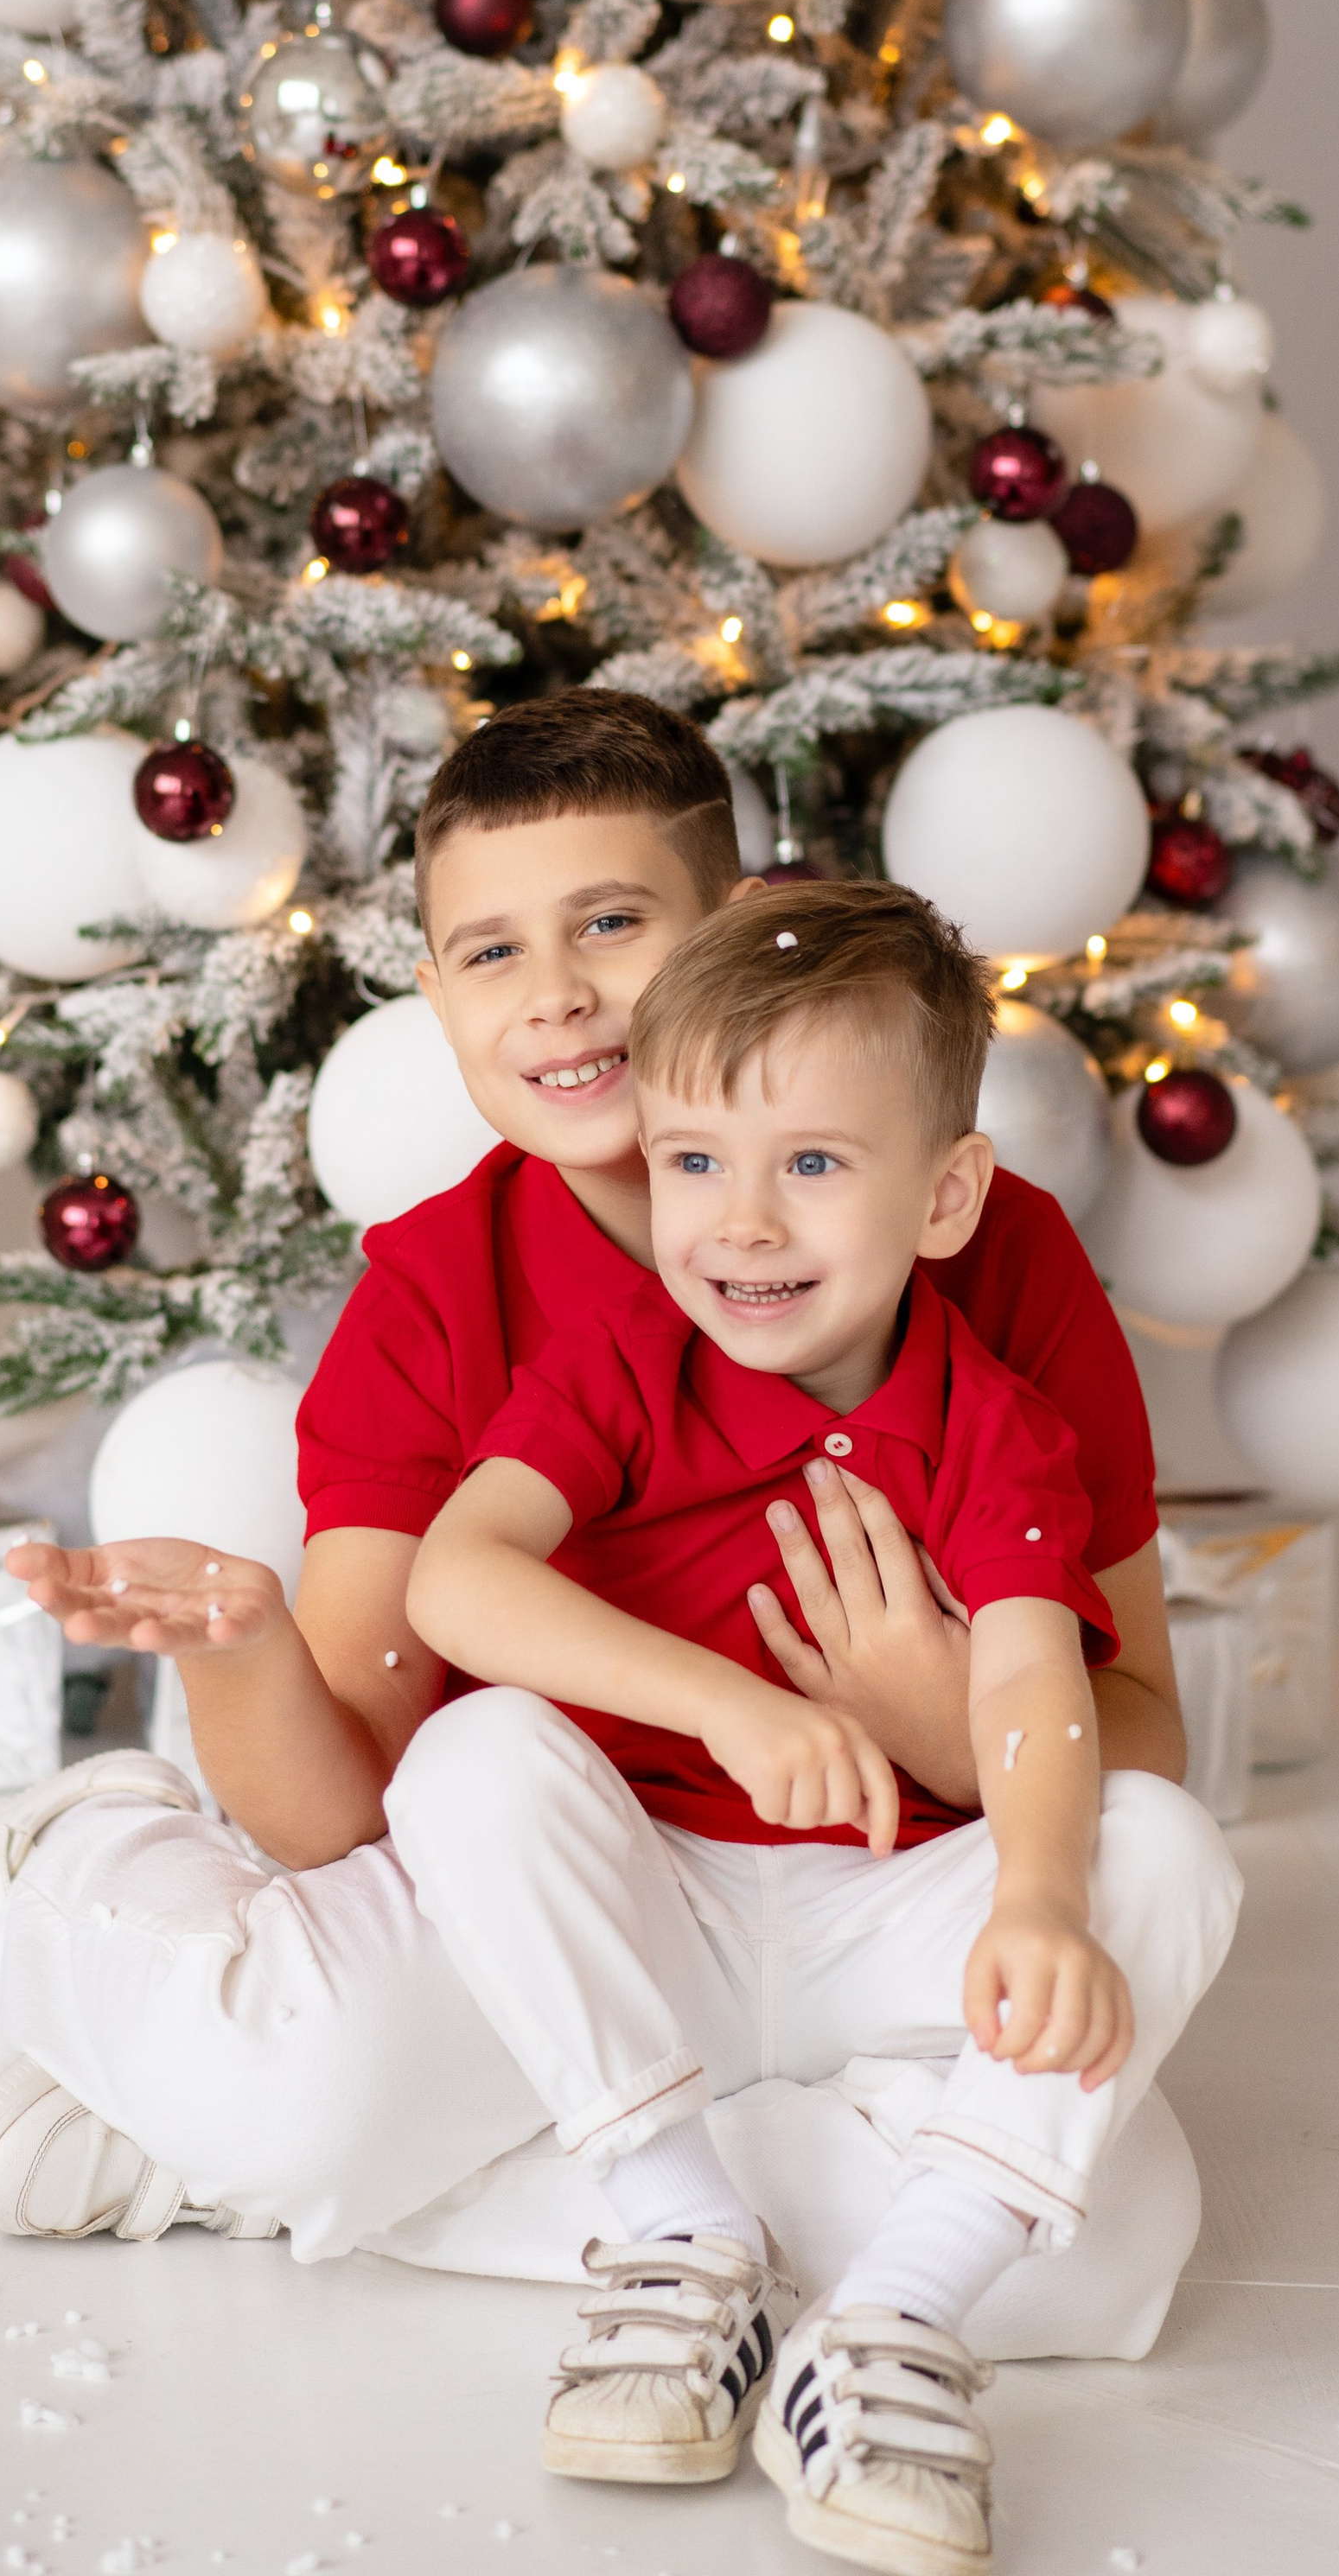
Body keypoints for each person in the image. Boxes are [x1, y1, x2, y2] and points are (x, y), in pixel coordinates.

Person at [0, 693, 1200, 2339]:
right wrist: (241, 1650)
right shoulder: (437, 1304)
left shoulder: (990, 1249)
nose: (559, 994)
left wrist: (937, 1720)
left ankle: (337, 2176)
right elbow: (348, 1808)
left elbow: (1145, 1732)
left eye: (613, 924)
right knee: (294, 2083)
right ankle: (63, 1897)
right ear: (436, 997)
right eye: (493, 953)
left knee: (1109, 2249)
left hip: (885, 1911)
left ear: (735, 931)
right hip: (562, 1908)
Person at [393, 887, 1240, 2562]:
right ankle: (679, 2232)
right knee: (471, 1756)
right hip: (666, 1911)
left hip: (890, 1926)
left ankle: (894, 2321)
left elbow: (1030, 1679)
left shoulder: (992, 1422)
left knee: (1162, 1842)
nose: (742, 1223)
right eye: (694, 1160)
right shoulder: (625, 1362)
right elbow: (455, 1580)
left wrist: (1038, 1900)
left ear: (944, 1196)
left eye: (812, 1164)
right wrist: (722, 1703)